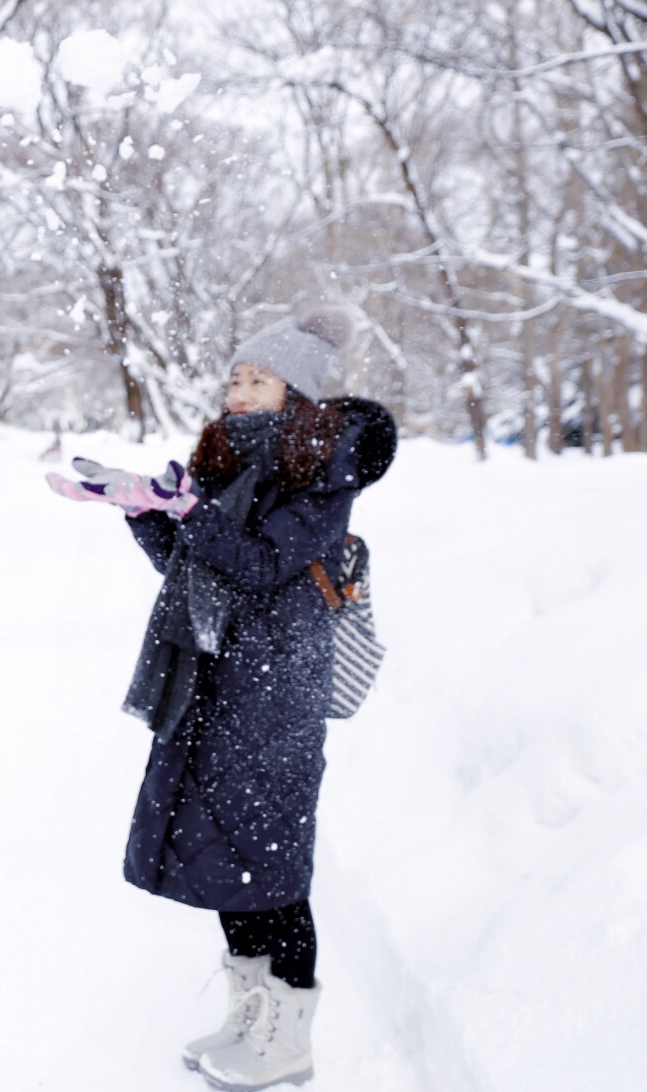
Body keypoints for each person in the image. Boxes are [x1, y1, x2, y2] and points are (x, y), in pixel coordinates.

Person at [47, 308, 396, 1090]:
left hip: (274, 695)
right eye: (235, 377)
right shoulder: (228, 464)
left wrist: (191, 512)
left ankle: (288, 1039)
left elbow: (264, 563)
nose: (239, 391)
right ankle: (249, 1016)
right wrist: (144, 510)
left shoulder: (319, 477)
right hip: (219, 681)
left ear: (296, 394)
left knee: (272, 871)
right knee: (229, 864)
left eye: (258, 379)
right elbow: (193, 565)